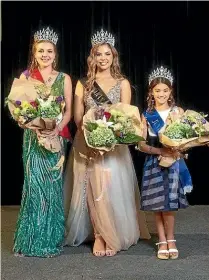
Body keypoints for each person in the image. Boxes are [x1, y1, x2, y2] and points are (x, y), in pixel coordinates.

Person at [64, 28, 150, 257]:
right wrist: (94, 131)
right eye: (98, 54)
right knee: (91, 188)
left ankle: (111, 229)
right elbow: (77, 117)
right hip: (88, 142)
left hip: (114, 145)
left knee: (110, 190)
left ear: (114, 57)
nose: (103, 58)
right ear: (92, 57)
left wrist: (111, 135)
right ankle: (100, 235)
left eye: (107, 54)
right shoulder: (83, 83)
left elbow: (126, 116)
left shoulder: (122, 83)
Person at [13, 26, 72, 257]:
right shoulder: (26, 78)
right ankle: (29, 241)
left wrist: (56, 129)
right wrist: (25, 122)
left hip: (56, 138)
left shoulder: (64, 78)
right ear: (34, 53)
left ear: (55, 55)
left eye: (49, 51)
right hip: (32, 139)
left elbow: (67, 111)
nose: (45, 55)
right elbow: (20, 109)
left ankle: (49, 240)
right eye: (41, 51)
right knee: (34, 187)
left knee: (52, 187)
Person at [138, 66, 193, 260]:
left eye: (165, 90)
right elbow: (141, 144)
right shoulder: (146, 115)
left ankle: (171, 239)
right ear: (151, 93)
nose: (161, 94)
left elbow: (187, 137)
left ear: (171, 91)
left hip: (173, 163)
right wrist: (160, 150)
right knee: (157, 203)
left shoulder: (178, 112)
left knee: (169, 204)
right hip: (153, 162)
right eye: (157, 90)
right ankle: (161, 240)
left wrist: (180, 148)